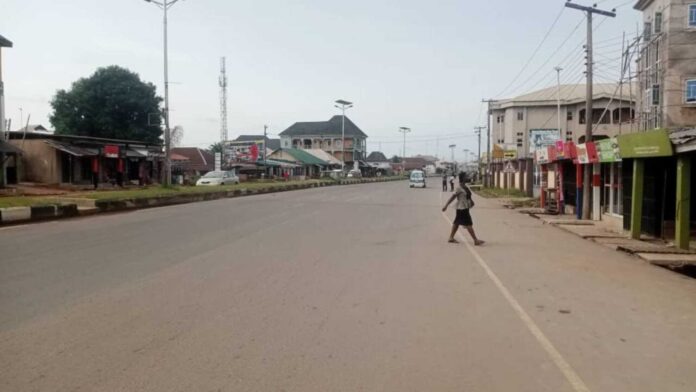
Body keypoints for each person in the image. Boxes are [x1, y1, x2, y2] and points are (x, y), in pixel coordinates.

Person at [442, 172, 484, 246]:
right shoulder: (459, 188)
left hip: (464, 207)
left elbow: (468, 196)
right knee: (468, 223)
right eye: (466, 176)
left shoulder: (465, 186)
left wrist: (471, 201)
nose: (468, 177)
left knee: (456, 222)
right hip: (462, 208)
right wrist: (446, 205)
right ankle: (475, 240)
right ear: (463, 178)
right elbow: (452, 197)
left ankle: (451, 237)